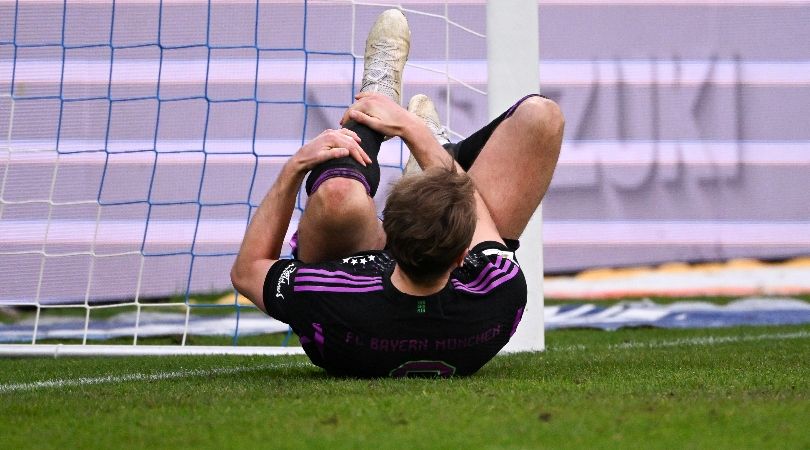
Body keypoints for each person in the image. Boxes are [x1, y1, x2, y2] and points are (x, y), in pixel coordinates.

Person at [231, 9, 563, 377]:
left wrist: (293, 169)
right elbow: (472, 204)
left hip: (355, 298)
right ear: (460, 257)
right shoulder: (499, 290)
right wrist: (412, 129)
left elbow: (247, 272)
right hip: (435, 297)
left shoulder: (326, 294)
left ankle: (373, 100)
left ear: (385, 234)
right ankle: (434, 148)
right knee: (542, 117)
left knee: (339, 198)